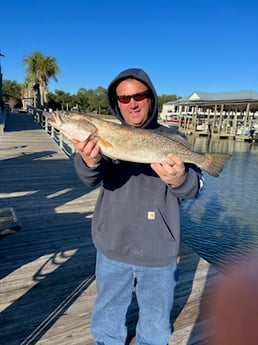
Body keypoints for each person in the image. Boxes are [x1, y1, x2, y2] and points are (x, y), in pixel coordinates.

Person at [73, 68, 203, 345]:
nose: (132, 103)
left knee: (156, 326)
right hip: (112, 243)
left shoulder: (172, 137)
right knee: (108, 317)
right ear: (116, 103)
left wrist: (180, 179)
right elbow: (88, 178)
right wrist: (89, 161)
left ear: (151, 98)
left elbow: (193, 188)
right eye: (124, 98)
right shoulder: (103, 137)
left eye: (139, 95)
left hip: (158, 247)